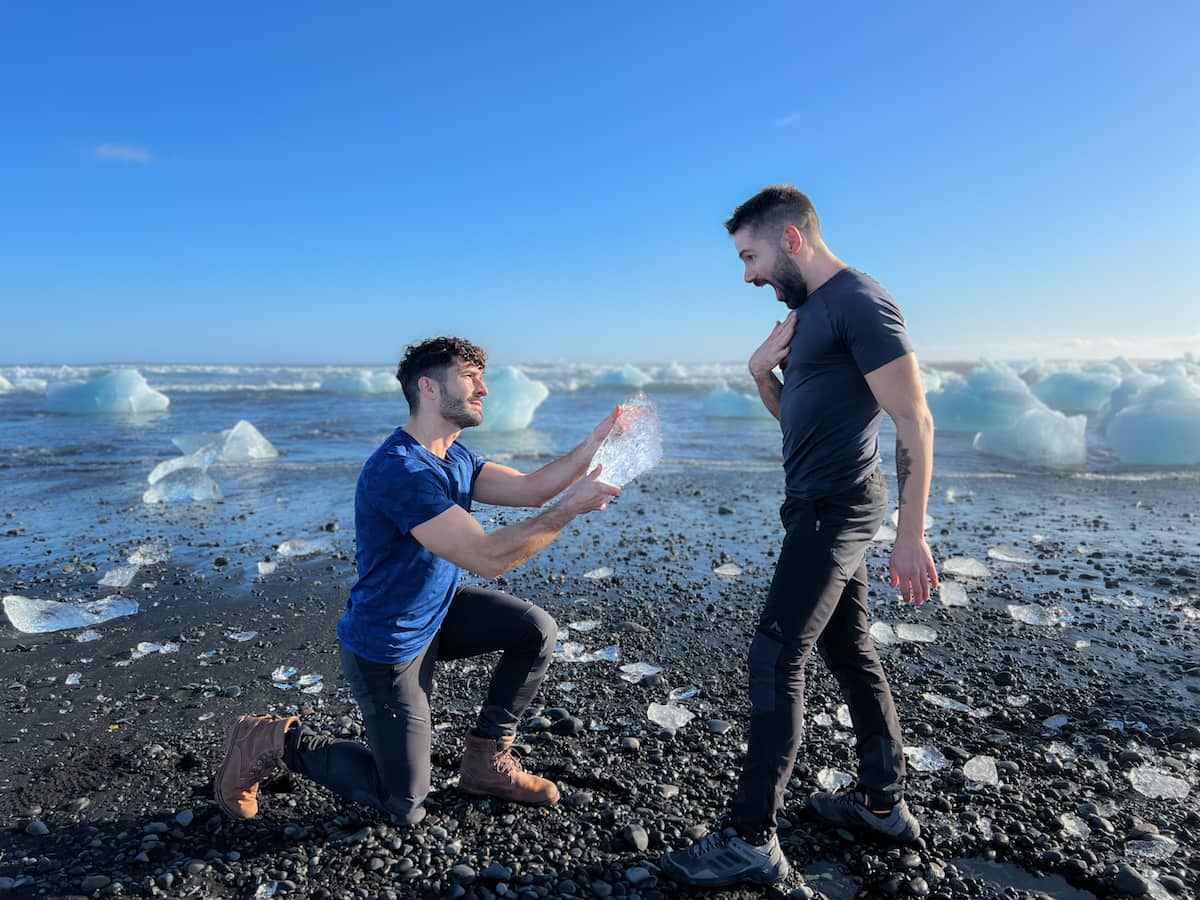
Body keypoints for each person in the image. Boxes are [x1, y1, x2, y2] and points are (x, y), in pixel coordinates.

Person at [215, 336, 621, 825]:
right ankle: (272, 739)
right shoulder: (401, 471)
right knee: (402, 804)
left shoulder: (455, 457)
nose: (484, 389)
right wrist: (570, 509)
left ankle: (486, 761)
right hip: (389, 647)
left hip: (437, 614)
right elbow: (487, 557)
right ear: (428, 388)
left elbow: (532, 489)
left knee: (534, 628)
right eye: (470, 377)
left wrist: (596, 443)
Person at [662, 186, 939, 888]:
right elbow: (800, 421)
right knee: (847, 651)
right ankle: (881, 804)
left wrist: (912, 534)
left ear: (792, 240)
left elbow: (915, 422)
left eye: (750, 256)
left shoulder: (860, 301)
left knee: (774, 657)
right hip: (817, 505)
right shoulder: (808, 313)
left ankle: (750, 836)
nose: (747, 274)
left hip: (836, 511)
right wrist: (761, 374)